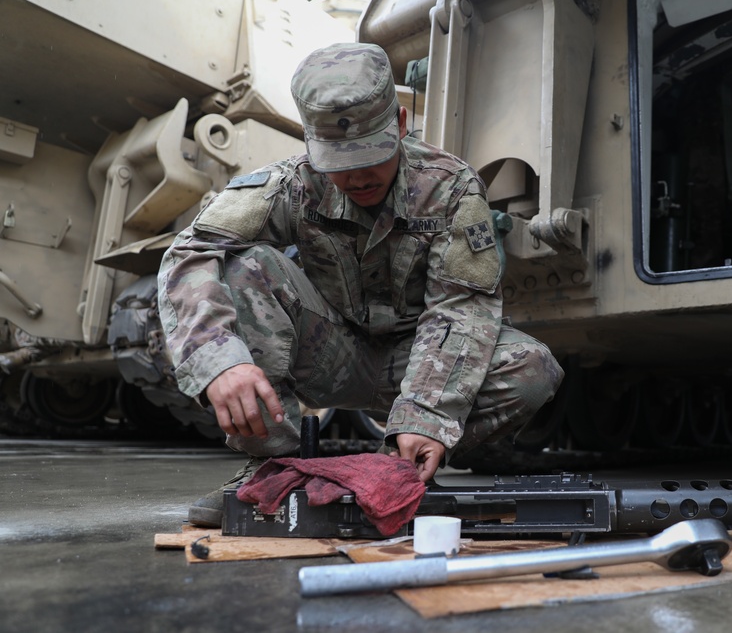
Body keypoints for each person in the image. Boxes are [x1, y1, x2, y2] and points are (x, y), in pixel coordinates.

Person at [157, 42, 564, 527]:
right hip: (330, 354)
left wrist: (423, 417)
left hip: (419, 361)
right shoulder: (294, 184)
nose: (357, 175)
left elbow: (460, 311)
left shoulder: (450, 188)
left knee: (532, 369)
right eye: (337, 160)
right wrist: (218, 358)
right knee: (246, 265)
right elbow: (190, 250)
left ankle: (394, 465)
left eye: (370, 153)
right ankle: (270, 469)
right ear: (310, 144)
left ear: (399, 124)